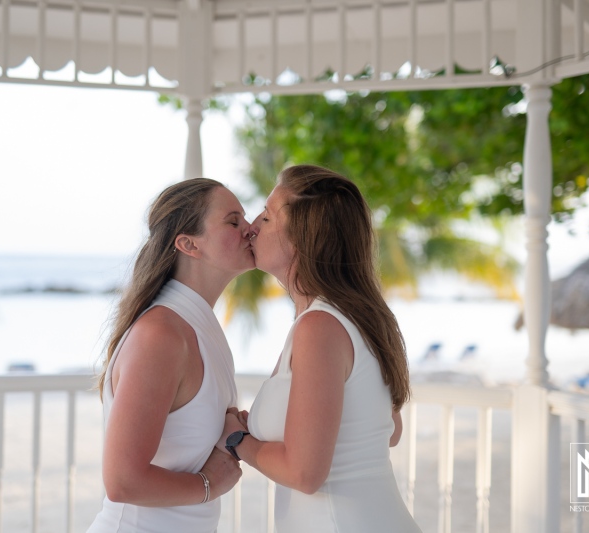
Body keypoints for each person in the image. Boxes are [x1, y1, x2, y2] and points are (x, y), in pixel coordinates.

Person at [220, 164, 422, 532]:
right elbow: (388, 431)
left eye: (267, 216)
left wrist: (237, 439)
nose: (252, 226)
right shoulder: (357, 317)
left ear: (303, 238)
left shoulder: (320, 328)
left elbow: (305, 474)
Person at [87, 178, 255, 533]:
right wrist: (209, 485)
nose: (250, 228)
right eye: (233, 221)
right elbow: (122, 482)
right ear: (189, 244)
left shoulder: (197, 326)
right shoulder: (161, 335)